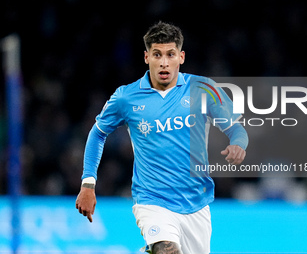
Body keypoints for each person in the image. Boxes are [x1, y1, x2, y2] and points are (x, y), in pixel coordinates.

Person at [76, 21, 248, 254]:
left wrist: (238, 144)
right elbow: (97, 133)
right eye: (157, 54)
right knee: (167, 251)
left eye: (170, 54)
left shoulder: (204, 88)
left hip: (197, 203)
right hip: (152, 200)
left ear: (182, 57)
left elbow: (236, 129)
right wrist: (88, 183)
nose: (164, 62)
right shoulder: (127, 97)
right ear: (147, 57)